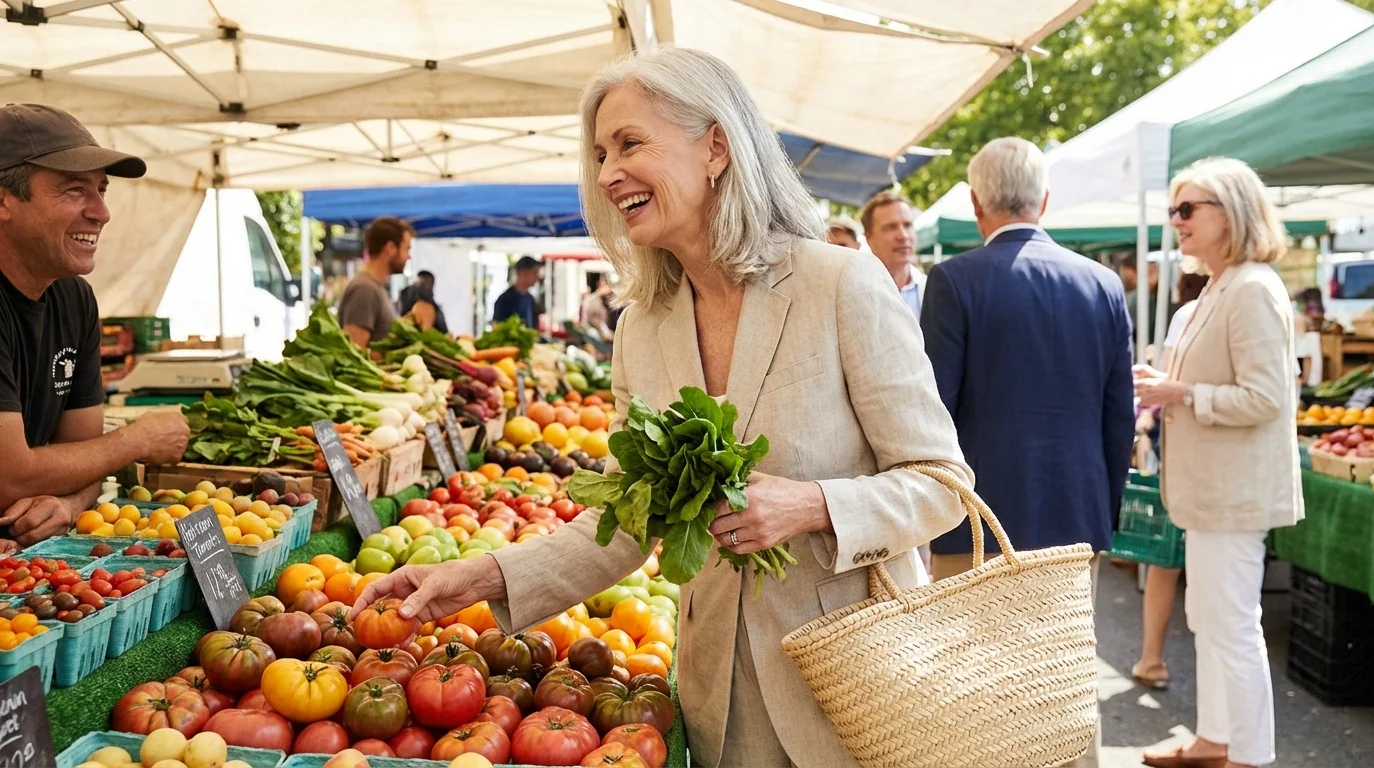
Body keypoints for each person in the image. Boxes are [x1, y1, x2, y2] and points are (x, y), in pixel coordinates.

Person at [352, 47, 973, 767]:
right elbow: (623, 523)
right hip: (720, 701)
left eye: (630, 143)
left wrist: (811, 506)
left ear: (715, 146)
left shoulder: (841, 286)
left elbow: (942, 484)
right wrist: (477, 577)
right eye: (600, 154)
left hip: (855, 695)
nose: (609, 173)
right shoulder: (641, 329)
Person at [921, 137, 1133, 768]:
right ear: (1044, 200)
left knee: (980, 687)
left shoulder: (954, 281)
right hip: (1075, 513)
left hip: (976, 522)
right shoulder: (1102, 283)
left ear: (977, 203)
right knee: (1065, 679)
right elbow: (1118, 416)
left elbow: (933, 415)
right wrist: (1103, 513)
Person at [1136, 157, 1302, 768]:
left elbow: (1265, 399)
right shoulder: (1222, 285)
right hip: (1210, 492)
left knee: (1231, 626)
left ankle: (1250, 755)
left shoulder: (1252, 288)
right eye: (1174, 209)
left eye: (1187, 208)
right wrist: (1169, 384)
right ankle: (1214, 740)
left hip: (1232, 495)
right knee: (1210, 620)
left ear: (1230, 212)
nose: (1176, 221)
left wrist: (1178, 394)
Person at [0, 104, 190, 548]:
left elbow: (85, 456)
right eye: (73, 190)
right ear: (4, 200)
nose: (101, 212)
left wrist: (68, 504)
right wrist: (137, 439)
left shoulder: (74, 298)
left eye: (101, 190)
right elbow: (11, 476)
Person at [1131, 267, 1209, 691]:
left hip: (1179, 453)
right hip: (1196, 457)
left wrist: (1168, 390)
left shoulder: (1186, 318)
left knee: (1166, 559)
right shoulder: (1201, 315)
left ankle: (1152, 657)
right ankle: (1160, 661)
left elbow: (1163, 393)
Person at [339, 216, 412, 347]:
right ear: (390, 248)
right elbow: (355, 352)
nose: (409, 256)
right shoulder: (364, 289)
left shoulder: (374, 287)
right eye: (407, 249)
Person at [860, 191, 924, 319]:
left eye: (907, 225)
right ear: (869, 238)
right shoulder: (857, 291)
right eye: (890, 227)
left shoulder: (932, 288)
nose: (903, 236)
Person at [492, 256, 542, 329]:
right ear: (522, 273)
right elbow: (497, 327)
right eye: (535, 272)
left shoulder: (530, 299)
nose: (538, 277)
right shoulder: (505, 300)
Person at [579, 271, 614, 341]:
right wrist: (605, 332)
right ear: (599, 284)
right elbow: (593, 321)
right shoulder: (593, 300)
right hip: (594, 334)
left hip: (600, 332)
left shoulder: (603, 299)